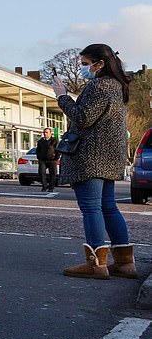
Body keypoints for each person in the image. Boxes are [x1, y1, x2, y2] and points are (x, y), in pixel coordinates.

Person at [52, 44, 136, 279]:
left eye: (85, 64)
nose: (83, 69)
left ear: (100, 64)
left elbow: (84, 117)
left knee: (91, 208)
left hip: (91, 156)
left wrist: (62, 96)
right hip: (108, 156)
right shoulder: (117, 86)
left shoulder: (100, 85)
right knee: (108, 207)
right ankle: (124, 262)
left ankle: (96, 264)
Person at [37, 127, 58, 193]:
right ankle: (44, 186)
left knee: (53, 174)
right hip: (42, 160)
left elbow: (58, 150)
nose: (45, 134)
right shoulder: (40, 141)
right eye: (44, 132)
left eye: (46, 132)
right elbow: (38, 150)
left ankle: (51, 187)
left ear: (50, 133)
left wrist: (56, 158)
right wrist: (39, 157)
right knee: (41, 173)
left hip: (52, 160)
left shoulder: (54, 140)